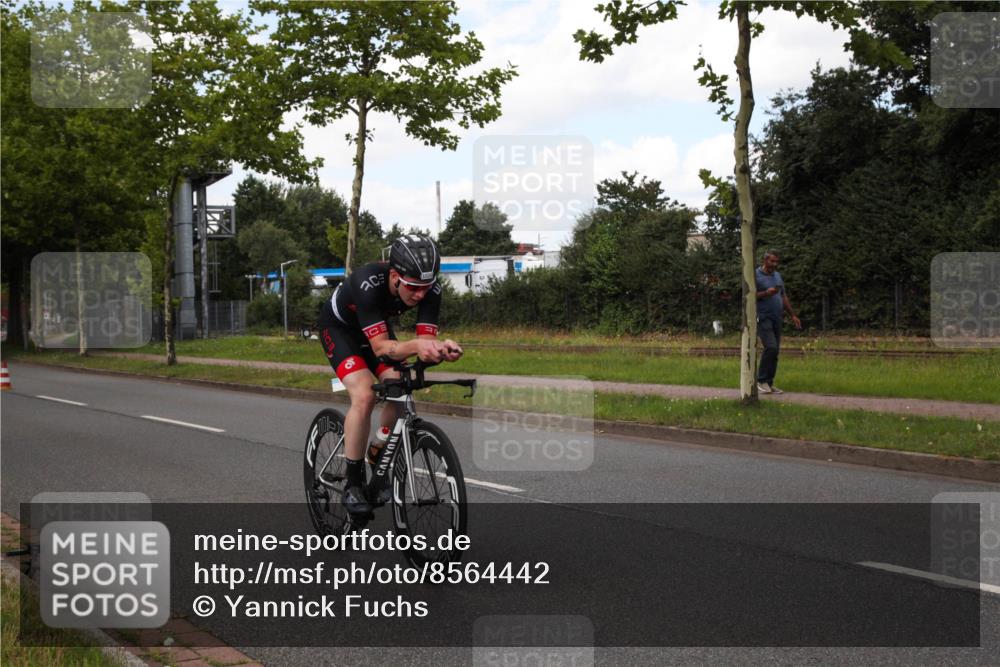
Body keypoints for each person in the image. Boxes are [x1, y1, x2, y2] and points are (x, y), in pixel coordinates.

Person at [316, 234, 463, 516]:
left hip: (375, 328)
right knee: (364, 394)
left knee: (400, 387)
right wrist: (418, 345)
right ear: (395, 276)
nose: (421, 295)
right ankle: (354, 484)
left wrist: (439, 349)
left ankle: (378, 451)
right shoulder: (367, 281)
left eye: (426, 287)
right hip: (340, 330)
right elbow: (382, 347)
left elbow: (424, 342)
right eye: (413, 287)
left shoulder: (431, 289)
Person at [755, 250, 801, 395]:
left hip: (777, 317)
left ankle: (769, 383)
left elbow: (783, 296)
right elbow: (749, 295)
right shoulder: (755, 275)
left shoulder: (777, 276)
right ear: (765, 260)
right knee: (771, 347)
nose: (774, 264)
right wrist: (765, 293)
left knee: (775, 352)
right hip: (763, 317)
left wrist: (793, 315)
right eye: (772, 261)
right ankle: (761, 381)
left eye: (776, 262)